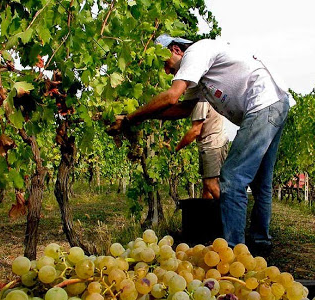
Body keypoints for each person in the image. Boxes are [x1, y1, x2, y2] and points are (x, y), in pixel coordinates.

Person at [110, 34, 290, 248]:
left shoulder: (195, 53)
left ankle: (233, 250)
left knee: (232, 178)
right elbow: (183, 109)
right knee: (261, 183)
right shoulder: (200, 75)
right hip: (274, 103)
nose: (166, 71)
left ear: (175, 50)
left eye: (164, 63)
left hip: (263, 104)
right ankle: (260, 243)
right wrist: (147, 115)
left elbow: (171, 97)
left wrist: (131, 119)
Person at [175, 101, 229, 199]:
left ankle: (232, 213)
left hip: (213, 145)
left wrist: (176, 148)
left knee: (211, 184)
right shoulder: (205, 94)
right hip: (210, 144)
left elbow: (195, 131)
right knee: (206, 188)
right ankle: (207, 214)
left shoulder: (201, 100)